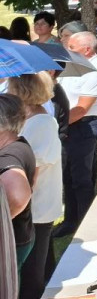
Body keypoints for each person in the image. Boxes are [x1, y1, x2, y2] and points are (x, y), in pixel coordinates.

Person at [8, 74, 60, 299]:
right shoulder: (30, 119)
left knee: (31, 273)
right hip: (32, 206)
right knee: (38, 266)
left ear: (21, 90)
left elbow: (32, 170)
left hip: (36, 207)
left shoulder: (41, 123)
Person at [54, 31, 97, 237]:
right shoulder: (73, 66)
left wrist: (56, 123)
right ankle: (70, 220)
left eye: (72, 47)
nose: (68, 50)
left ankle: (86, 224)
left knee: (81, 178)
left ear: (87, 49)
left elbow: (82, 108)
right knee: (67, 175)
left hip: (83, 127)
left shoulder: (96, 71)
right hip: (67, 125)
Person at [0, 96, 35, 271]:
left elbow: (18, 195)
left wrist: (3, 222)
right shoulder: (18, 143)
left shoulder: (8, 156)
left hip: (11, 240)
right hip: (20, 234)